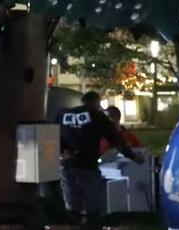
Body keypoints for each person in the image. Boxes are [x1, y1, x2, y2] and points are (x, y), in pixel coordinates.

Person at [57, 89, 141, 222]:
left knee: (72, 207)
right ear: (97, 103)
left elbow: (52, 134)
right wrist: (134, 156)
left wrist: (63, 152)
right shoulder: (96, 115)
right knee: (93, 205)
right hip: (87, 166)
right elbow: (115, 139)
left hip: (66, 165)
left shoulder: (63, 114)